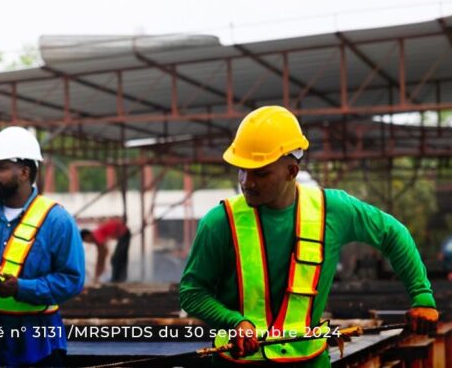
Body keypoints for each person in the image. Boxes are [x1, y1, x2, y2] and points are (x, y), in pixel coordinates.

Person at [179, 105, 438, 366]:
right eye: (241, 169)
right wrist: (234, 322)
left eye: (260, 172)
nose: (246, 182)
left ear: (292, 171)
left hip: (309, 361)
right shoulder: (220, 222)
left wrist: (422, 297)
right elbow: (192, 293)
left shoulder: (333, 210)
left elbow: (394, 234)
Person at [0, 126, 85, 367]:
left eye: (0, 167)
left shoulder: (56, 221)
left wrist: (20, 288)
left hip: (39, 347)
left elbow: (72, 280)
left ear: (23, 172)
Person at [81, 218, 131, 283]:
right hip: (122, 233)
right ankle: (120, 278)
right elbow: (102, 255)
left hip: (124, 233)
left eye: (86, 240)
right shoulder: (96, 235)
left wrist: (97, 275)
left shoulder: (96, 235)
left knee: (116, 259)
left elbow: (102, 255)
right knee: (119, 259)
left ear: (88, 236)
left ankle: (117, 279)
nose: (88, 242)